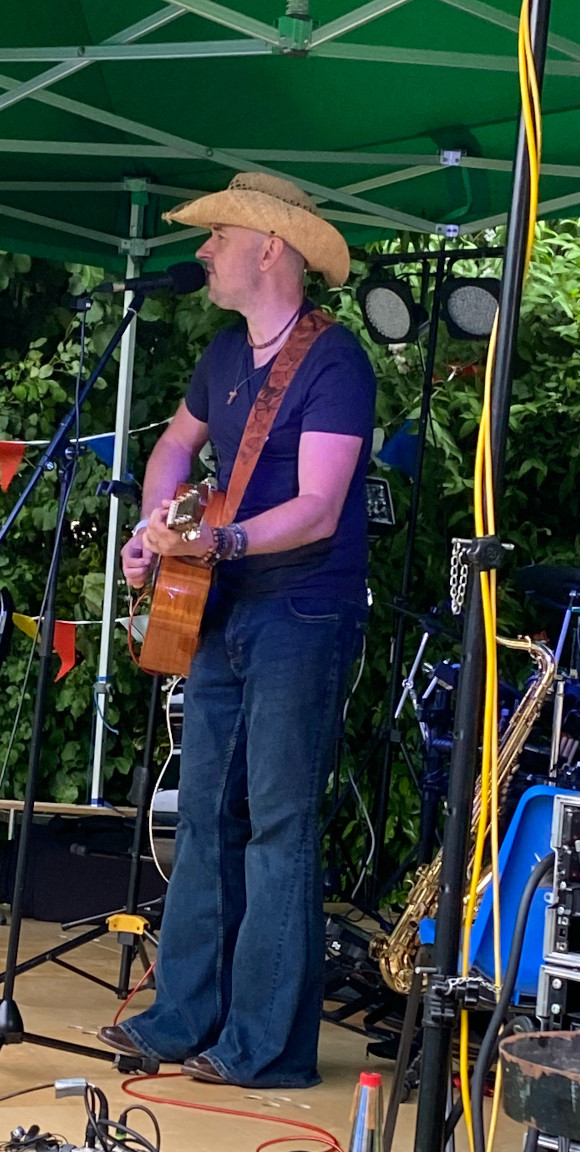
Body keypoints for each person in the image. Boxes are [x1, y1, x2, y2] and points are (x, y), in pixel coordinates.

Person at [97, 172, 377, 1088]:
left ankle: (266, 1045)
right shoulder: (223, 352)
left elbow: (321, 507)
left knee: (280, 823)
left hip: (302, 607)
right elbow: (175, 446)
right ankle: (182, 1017)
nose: (204, 250)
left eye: (219, 236)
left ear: (270, 249)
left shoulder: (335, 362)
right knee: (205, 813)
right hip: (223, 603)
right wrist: (155, 529)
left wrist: (219, 539)